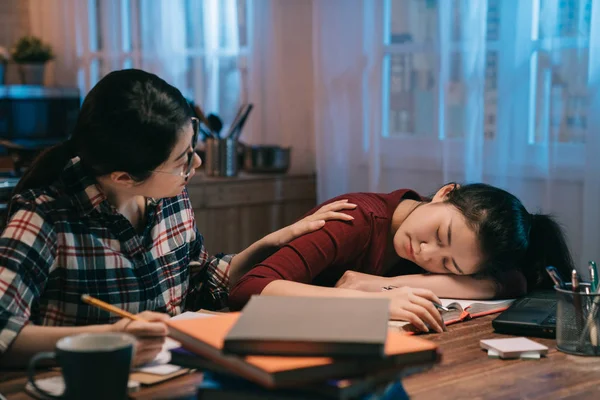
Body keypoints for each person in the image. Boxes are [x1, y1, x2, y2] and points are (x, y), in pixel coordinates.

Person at [0, 69, 357, 368]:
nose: (196, 164)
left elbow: (198, 282)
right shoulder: (44, 215)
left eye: (192, 148)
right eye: (183, 160)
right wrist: (109, 340)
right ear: (124, 177)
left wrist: (274, 243)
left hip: (170, 379)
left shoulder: (166, 195)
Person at [229, 184, 574, 333]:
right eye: (441, 235)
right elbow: (247, 289)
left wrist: (384, 284)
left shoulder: (425, 235)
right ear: (444, 194)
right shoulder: (354, 219)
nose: (426, 253)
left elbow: (511, 281)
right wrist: (370, 302)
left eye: (449, 266)